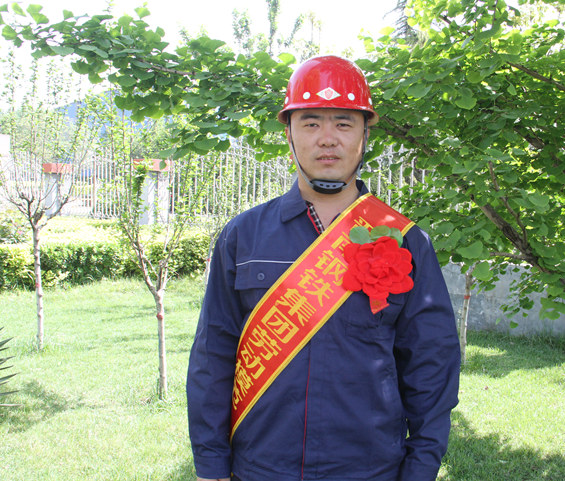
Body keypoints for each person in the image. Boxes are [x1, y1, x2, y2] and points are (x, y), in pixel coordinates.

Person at [187, 55, 461, 481]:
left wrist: (420, 468)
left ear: (365, 135)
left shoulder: (404, 240)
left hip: (370, 470)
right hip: (260, 468)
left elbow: (431, 364)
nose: (327, 139)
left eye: (344, 123)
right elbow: (213, 355)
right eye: (311, 123)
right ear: (289, 134)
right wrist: (211, 464)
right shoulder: (243, 236)